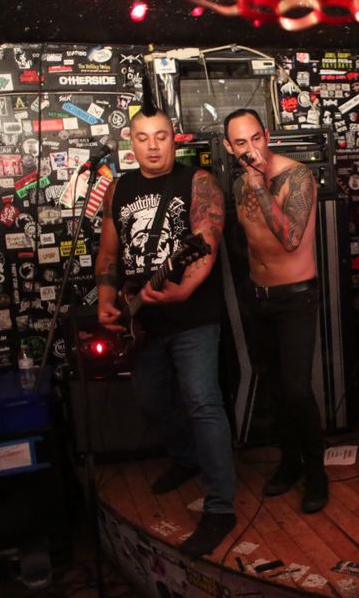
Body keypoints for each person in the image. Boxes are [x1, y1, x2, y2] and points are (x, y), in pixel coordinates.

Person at [95, 109, 237, 556]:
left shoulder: (198, 182)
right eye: (143, 137)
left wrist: (185, 289)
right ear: (130, 142)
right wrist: (106, 297)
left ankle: (220, 506)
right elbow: (109, 252)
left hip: (192, 315)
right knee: (150, 399)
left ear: (174, 139)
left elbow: (206, 240)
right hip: (141, 318)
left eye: (160, 136)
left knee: (202, 402)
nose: (153, 146)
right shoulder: (119, 188)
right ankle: (187, 457)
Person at [223, 108, 328, 514]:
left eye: (256, 138)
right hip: (259, 296)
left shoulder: (297, 177)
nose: (252, 149)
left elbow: (290, 239)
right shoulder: (237, 185)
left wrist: (260, 188)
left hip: (296, 297)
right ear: (230, 147)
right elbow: (249, 241)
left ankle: (317, 474)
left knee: (298, 390)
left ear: (267, 135)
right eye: (241, 143)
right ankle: (290, 462)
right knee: (274, 386)